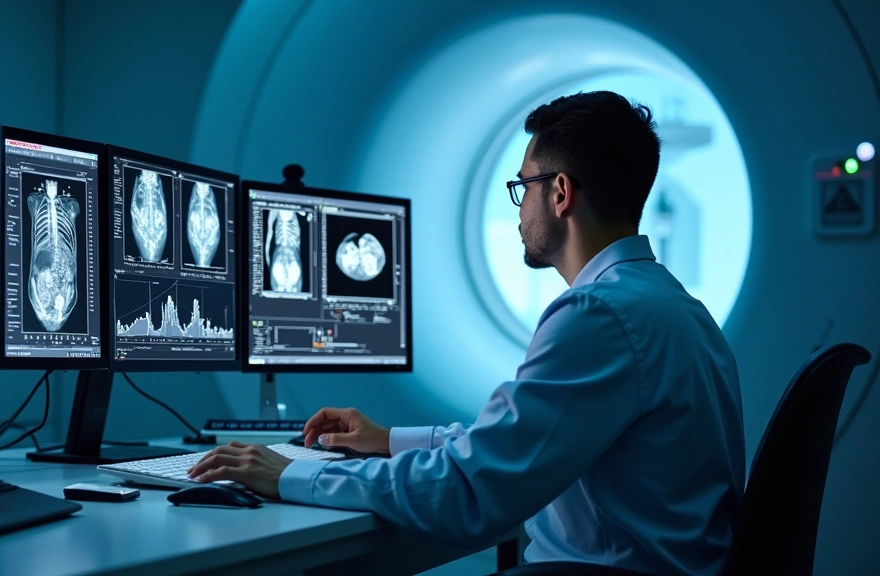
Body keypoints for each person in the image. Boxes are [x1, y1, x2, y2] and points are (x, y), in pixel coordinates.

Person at [187, 91, 745, 576]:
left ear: (559, 193)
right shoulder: (674, 307)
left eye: (523, 185)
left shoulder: (597, 315)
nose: (519, 207)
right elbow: (512, 445)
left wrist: (290, 476)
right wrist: (388, 440)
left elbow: (469, 490)